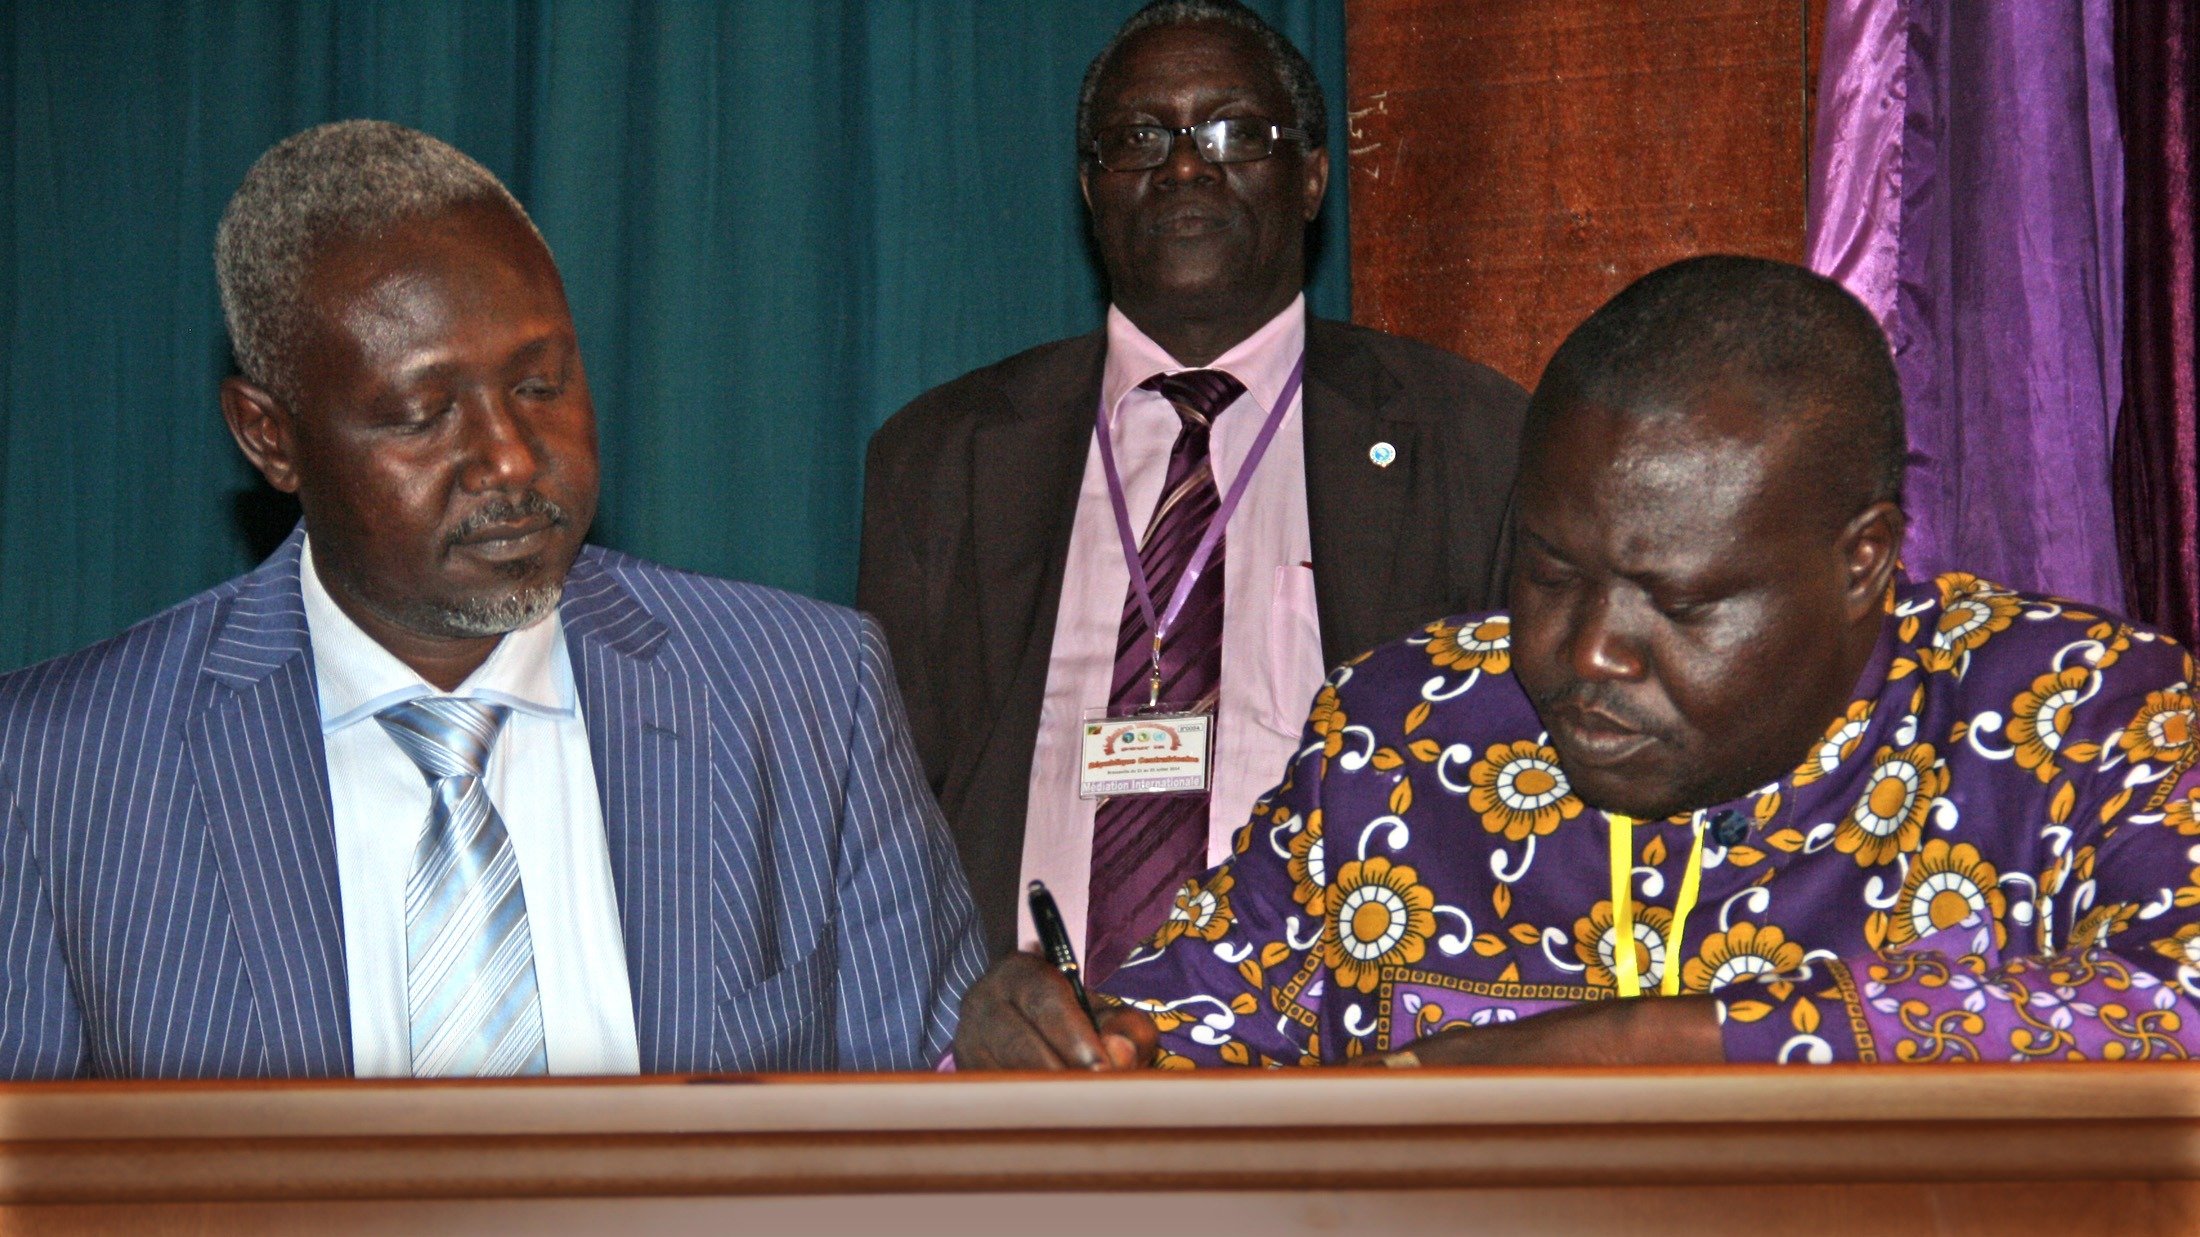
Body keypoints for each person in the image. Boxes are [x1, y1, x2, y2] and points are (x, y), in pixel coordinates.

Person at [951, 255, 2200, 1070]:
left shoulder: (2071, 717)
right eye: (1549, 573)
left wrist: (1661, 1046)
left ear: (1864, 558)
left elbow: (2180, 1011)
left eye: (1681, 600)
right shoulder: (1405, 734)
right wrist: (1065, 1045)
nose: (1588, 652)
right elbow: (1180, 1037)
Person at [0, 121, 985, 1079]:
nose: (510, 459)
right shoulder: (63, 768)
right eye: (424, 415)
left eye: (540, 386)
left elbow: (933, 1126)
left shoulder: (805, 691)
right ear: (270, 437)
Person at [859, 0, 1526, 976]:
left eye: (1232, 130)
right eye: (1138, 136)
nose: (1182, 165)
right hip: (1030, 1072)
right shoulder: (943, 457)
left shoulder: (1468, 437)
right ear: (1090, 187)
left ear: (1310, 176)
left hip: (1343, 1060)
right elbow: (882, 822)